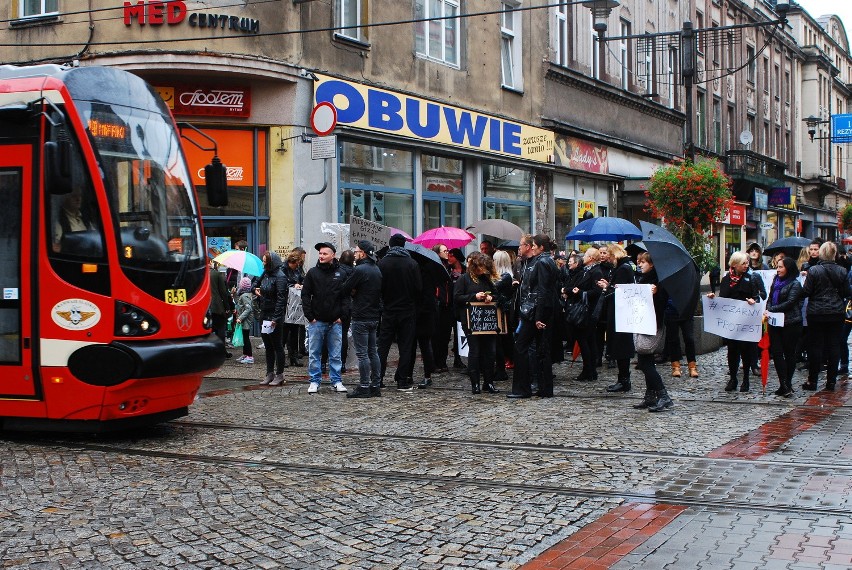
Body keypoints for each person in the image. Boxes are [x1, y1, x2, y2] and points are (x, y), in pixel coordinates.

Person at [508, 234, 559, 399]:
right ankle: (544, 389)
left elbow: (542, 291)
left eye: (535, 245)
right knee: (540, 349)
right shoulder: (539, 261)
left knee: (522, 347)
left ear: (540, 247)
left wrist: (538, 317)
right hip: (535, 310)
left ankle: (523, 388)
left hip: (535, 311)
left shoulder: (542, 262)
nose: (533, 247)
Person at [707, 251, 760, 392]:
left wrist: (753, 301)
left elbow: (758, 297)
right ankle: (733, 378)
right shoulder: (726, 279)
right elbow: (722, 298)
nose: (746, 265)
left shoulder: (752, 277)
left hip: (745, 320)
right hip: (730, 322)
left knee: (746, 350)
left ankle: (746, 379)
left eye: (747, 263)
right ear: (735, 265)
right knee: (732, 351)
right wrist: (713, 298)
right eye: (743, 263)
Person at [802, 241, 850, 391]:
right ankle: (831, 381)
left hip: (816, 312)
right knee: (833, 345)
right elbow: (846, 293)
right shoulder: (842, 271)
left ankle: (813, 380)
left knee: (815, 346)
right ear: (834, 254)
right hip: (836, 312)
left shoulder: (814, 271)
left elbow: (806, 292)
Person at [301, 242, 348, 394]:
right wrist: (310, 316)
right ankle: (314, 381)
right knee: (314, 353)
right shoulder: (313, 273)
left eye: (324, 254)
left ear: (333, 255)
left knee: (335, 354)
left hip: (335, 321)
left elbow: (346, 297)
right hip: (317, 321)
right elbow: (305, 295)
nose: (321, 256)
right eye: (320, 253)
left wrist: (342, 316)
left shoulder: (341, 273)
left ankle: (336, 380)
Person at [377, 233, 422, 391]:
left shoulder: (382, 263)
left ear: (390, 245)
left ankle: (378, 378)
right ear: (404, 246)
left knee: (383, 346)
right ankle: (402, 380)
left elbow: (378, 287)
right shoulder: (412, 264)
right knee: (406, 347)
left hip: (388, 310)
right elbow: (418, 288)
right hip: (407, 310)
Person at [341, 240, 383, 398]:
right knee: (373, 352)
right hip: (373, 316)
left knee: (363, 354)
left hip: (361, 315)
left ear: (363, 253)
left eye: (357, 251)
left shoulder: (360, 269)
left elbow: (345, 288)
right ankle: (375, 385)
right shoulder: (376, 269)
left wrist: (353, 291)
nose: (355, 254)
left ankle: (364, 385)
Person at [455, 252, 501, 394]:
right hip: (471, 320)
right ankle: (475, 383)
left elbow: (497, 295)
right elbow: (457, 297)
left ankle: (489, 382)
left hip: (487, 321)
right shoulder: (464, 279)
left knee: (490, 352)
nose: (483, 270)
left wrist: (490, 297)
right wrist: (474, 296)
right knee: (475, 352)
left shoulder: (486, 279)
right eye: (481, 267)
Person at [633, 252, 673, 412]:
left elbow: (662, 304)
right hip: (642, 322)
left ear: (652, 264)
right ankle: (650, 396)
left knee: (645, 362)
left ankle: (664, 396)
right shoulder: (643, 279)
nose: (640, 264)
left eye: (643, 262)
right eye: (639, 262)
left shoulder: (659, 281)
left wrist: (657, 294)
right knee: (644, 361)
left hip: (653, 324)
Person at [600, 244, 636, 393]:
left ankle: (624, 380)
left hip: (620, 313)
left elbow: (619, 291)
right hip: (619, 312)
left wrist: (607, 288)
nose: (607, 258)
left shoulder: (623, 269)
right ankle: (622, 379)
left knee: (621, 346)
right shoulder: (623, 267)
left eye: (609, 255)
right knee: (620, 346)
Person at [765, 257, 803, 397]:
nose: (778, 270)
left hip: (791, 323)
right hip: (776, 323)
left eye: (781, 267)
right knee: (777, 353)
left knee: (789, 353)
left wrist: (773, 309)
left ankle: (788, 382)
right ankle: (783, 384)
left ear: (788, 268)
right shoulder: (776, 280)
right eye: (778, 267)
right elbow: (769, 297)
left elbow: (791, 302)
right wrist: (769, 308)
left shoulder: (795, 284)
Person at [256, 251, 288, 385]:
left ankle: (279, 373)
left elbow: (281, 298)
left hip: (274, 314)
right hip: (264, 312)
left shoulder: (280, 277)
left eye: (264, 261)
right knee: (268, 345)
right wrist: (255, 290)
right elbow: (254, 284)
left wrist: (276, 317)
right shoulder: (265, 274)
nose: (263, 263)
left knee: (277, 345)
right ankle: (269, 373)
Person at [493, 250, 517, 380]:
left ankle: (502, 367)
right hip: (501, 310)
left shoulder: (505, 276)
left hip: (502, 311)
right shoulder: (503, 276)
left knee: (502, 340)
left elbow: (494, 288)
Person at [431, 243, 454, 374]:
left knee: (445, 337)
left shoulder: (449, 268)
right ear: (438, 253)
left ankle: (442, 361)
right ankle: (435, 362)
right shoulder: (434, 267)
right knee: (436, 336)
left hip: (447, 306)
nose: (447, 252)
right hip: (438, 305)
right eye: (445, 251)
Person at [281, 250, 305, 366]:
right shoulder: (283, 269)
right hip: (286, 303)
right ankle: (281, 357)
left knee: (294, 331)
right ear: (293, 262)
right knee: (284, 332)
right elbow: (281, 284)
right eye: (297, 264)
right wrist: (292, 285)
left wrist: (301, 284)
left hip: (295, 303)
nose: (298, 266)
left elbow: (302, 278)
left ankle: (293, 356)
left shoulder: (297, 270)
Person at [208, 260, 234, 359]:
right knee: (220, 330)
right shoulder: (218, 275)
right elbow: (224, 293)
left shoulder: (203, 274)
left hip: (206, 307)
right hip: (217, 307)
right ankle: (221, 352)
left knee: (209, 330)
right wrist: (228, 308)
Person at [447, 247, 467, 369]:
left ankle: (458, 358)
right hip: (450, 305)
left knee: (459, 332)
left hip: (461, 305)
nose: (449, 258)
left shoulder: (465, 270)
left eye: (451, 255)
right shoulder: (448, 270)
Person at [234, 277, 255, 364]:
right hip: (244, 320)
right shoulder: (244, 295)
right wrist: (234, 294)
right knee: (244, 337)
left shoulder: (245, 296)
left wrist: (240, 318)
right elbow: (239, 304)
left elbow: (248, 309)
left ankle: (249, 356)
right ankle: (245, 354)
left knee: (246, 338)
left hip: (245, 320)